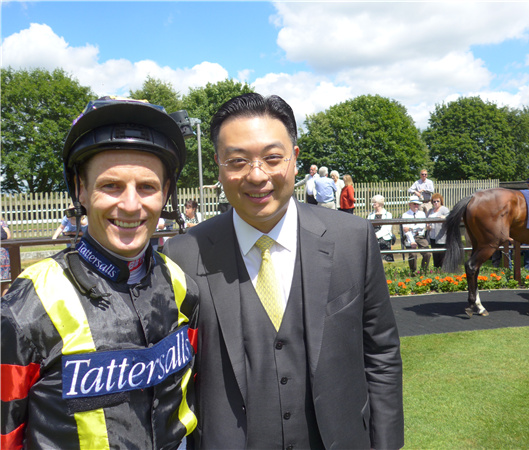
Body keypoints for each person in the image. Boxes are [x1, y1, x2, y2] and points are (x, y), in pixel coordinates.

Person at [163, 93, 403, 449]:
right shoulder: (183, 254)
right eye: (237, 161)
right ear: (219, 165)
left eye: (273, 158)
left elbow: (381, 352)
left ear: (295, 157)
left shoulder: (352, 239)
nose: (256, 175)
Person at [1, 97, 199, 449]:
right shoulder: (28, 305)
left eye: (147, 187)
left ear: (166, 192)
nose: (131, 205)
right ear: (80, 189)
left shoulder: (181, 283)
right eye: (111, 186)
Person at [402, 195, 431, 274]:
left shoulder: (422, 214)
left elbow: (422, 226)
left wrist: (411, 228)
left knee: (428, 253)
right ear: (410, 204)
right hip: (409, 237)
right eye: (414, 204)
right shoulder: (405, 215)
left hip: (420, 236)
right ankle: (413, 272)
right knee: (413, 254)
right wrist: (412, 241)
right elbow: (406, 231)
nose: (416, 206)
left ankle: (424, 271)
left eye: (417, 204)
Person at [368, 195, 395, 262]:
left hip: (384, 237)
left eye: (375, 202)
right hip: (372, 236)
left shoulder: (388, 214)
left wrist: (377, 235)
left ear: (380, 203)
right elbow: (368, 226)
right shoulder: (370, 215)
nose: (373, 204)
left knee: (382, 243)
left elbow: (387, 229)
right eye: (373, 202)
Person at [426, 193, 450, 268]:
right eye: (434, 201)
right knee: (435, 255)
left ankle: (443, 270)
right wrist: (427, 226)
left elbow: (450, 217)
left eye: (437, 201)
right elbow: (426, 220)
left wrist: (444, 218)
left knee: (442, 255)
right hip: (432, 236)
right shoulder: (430, 211)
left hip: (441, 236)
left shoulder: (444, 209)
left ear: (441, 201)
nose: (436, 203)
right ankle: (437, 270)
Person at [1, 216, 11, 295]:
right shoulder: (2, 223)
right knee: (5, 282)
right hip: (3, 255)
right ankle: (4, 301)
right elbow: (8, 236)